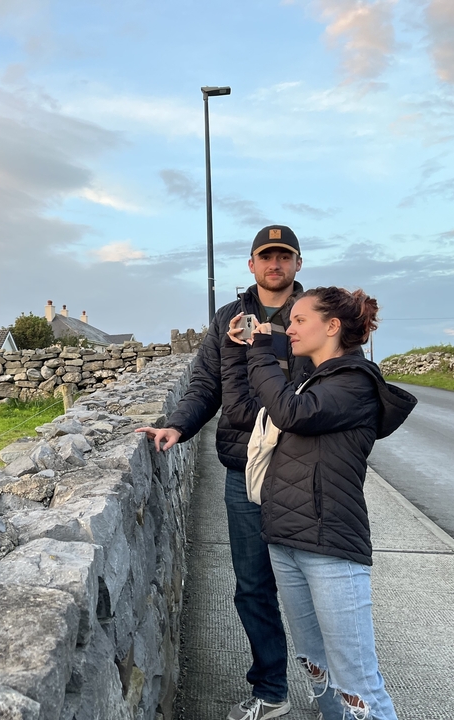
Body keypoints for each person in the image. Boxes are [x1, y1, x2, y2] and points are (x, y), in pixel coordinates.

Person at [137, 225, 313, 720]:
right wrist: (177, 426)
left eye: (285, 256)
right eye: (266, 256)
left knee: (316, 587)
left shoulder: (315, 315)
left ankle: (337, 694)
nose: (275, 264)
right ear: (252, 264)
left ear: (298, 264)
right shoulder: (227, 319)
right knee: (254, 585)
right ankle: (272, 691)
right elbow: (204, 386)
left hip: (303, 469)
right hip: (243, 472)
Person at [226, 287, 417, 720]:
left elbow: (291, 413)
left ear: (332, 327)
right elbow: (243, 411)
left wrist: (259, 347)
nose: (288, 329)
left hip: (330, 546)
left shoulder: (355, 383)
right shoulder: (310, 381)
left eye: (298, 320)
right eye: (288, 321)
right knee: (316, 666)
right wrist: (233, 348)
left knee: (357, 684)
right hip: (286, 541)